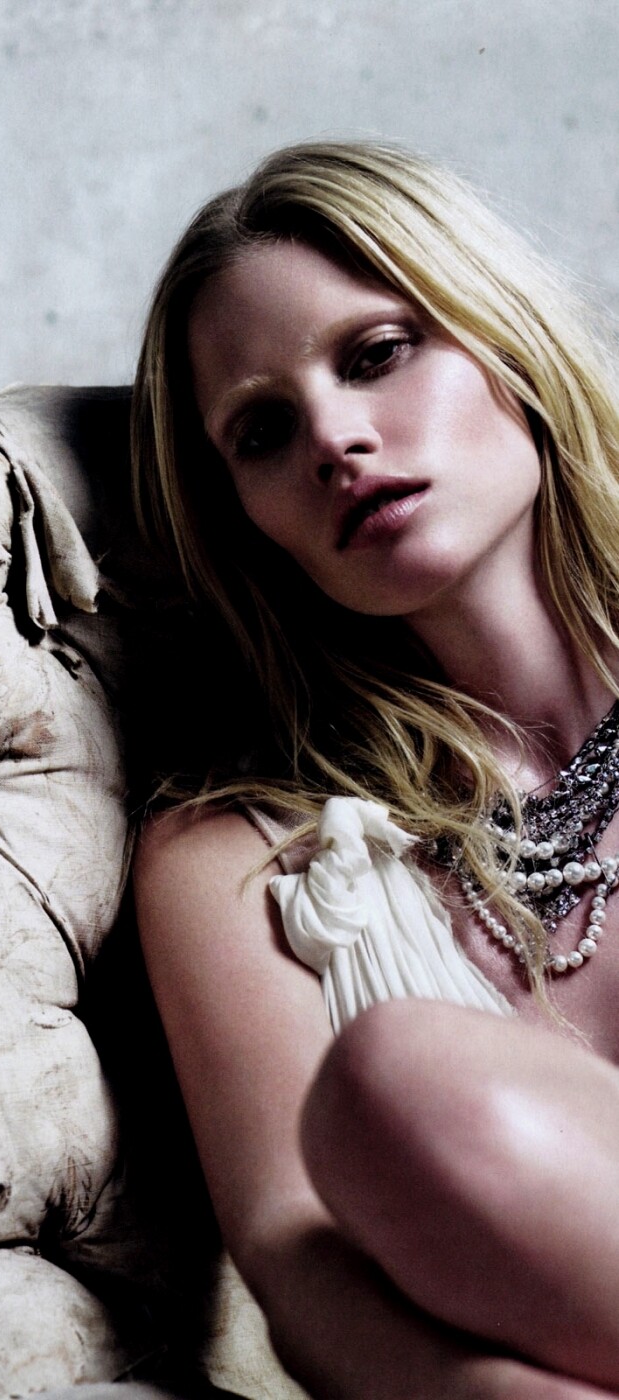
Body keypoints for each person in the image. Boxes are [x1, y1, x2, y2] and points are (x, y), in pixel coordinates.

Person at [129, 141, 619, 1399]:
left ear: (505, 341)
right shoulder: (234, 858)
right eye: (262, 431)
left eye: (377, 353)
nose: (336, 440)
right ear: (244, 519)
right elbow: (298, 1267)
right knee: (403, 1076)